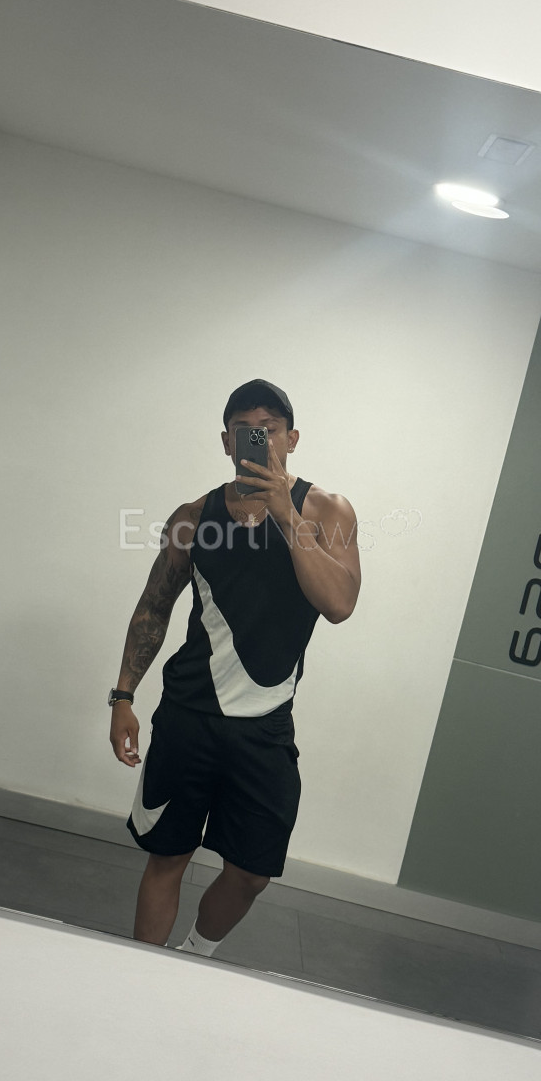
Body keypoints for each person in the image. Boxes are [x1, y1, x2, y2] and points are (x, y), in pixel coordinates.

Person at [109, 379, 360, 957]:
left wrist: (285, 515)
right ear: (226, 442)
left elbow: (339, 604)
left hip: (265, 726)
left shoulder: (328, 511)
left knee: (251, 872)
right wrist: (122, 697)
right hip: (187, 715)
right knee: (167, 855)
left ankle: (195, 956)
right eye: (245, 431)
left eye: (269, 430)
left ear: (292, 439)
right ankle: (140, 974)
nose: (258, 440)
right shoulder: (193, 516)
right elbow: (153, 608)